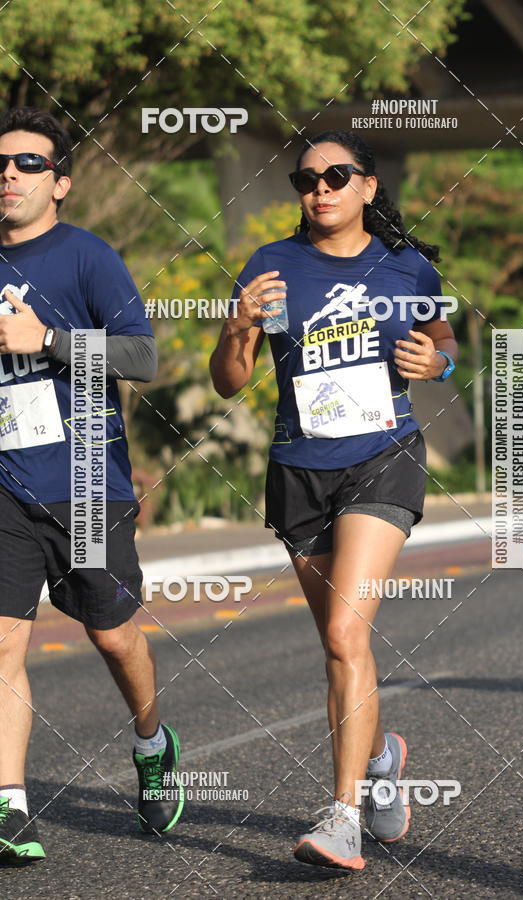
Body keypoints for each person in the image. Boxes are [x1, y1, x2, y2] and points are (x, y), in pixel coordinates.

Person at [211, 129, 458, 872]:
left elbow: (443, 338)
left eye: (336, 176)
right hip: (299, 469)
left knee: (348, 638)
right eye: (305, 179)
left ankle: (341, 818)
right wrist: (237, 329)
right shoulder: (271, 269)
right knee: (337, 643)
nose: (319, 189)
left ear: (368, 187)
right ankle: (381, 757)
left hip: (383, 458)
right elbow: (230, 380)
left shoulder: (408, 265)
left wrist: (438, 360)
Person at [0, 107, 184, 861]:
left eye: (29, 163)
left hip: (83, 480)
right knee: (4, 642)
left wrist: (44, 340)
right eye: (0, 163)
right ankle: (10, 807)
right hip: (6, 486)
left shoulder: (86, 258)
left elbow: (144, 359)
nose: (8, 174)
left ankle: (152, 741)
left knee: (111, 634)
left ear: (62, 183)